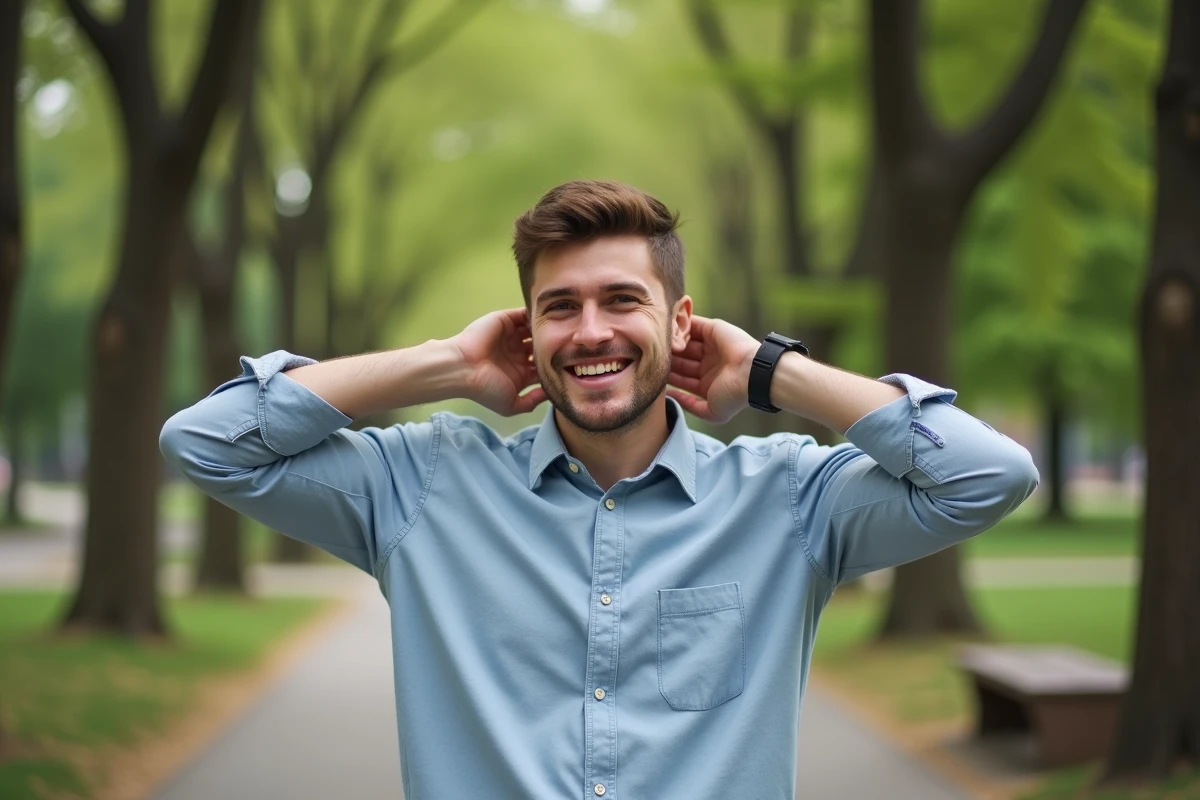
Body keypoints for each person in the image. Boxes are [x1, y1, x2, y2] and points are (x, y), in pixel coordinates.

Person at [160, 180, 1038, 799]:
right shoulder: (422, 486)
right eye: (558, 307)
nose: (591, 333)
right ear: (526, 330)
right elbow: (206, 443)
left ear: (680, 321)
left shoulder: (791, 501)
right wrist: (446, 365)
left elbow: (988, 474)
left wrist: (772, 371)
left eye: (622, 300)